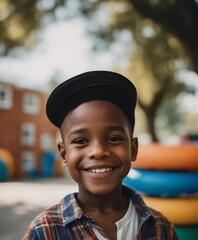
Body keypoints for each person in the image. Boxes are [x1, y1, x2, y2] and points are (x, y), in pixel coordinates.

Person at [23, 71, 178, 240]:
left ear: (132, 149)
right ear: (64, 154)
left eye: (113, 138)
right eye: (81, 141)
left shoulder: (161, 228)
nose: (98, 151)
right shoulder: (44, 231)